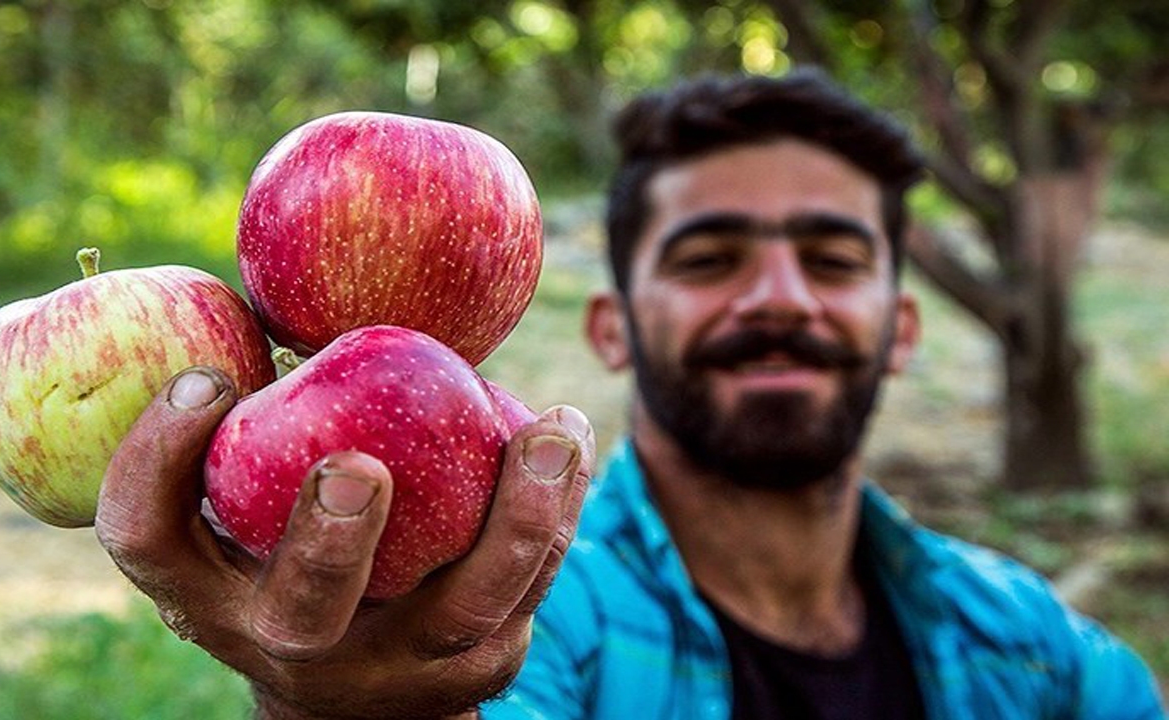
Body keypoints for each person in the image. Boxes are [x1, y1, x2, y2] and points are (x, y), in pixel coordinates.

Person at [95, 68, 1165, 719]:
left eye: (834, 260)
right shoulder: (510, 634)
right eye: (708, 258)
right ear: (608, 325)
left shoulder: (1035, 646)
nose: (778, 299)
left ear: (901, 329)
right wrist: (339, 711)